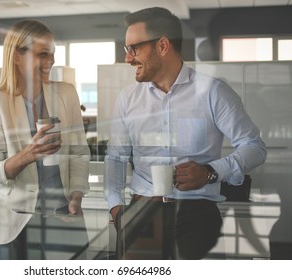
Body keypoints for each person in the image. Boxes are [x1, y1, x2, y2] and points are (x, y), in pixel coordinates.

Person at [104, 7, 267, 260]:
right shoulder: (128, 99)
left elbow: (254, 147)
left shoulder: (213, 92)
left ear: (163, 46)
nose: (127, 58)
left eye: (133, 48)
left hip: (197, 216)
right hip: (141, 212)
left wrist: (212, 171)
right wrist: (115, 207)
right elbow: (116, 157)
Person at [0, 19, 90, 259]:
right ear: (18, 56)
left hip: (63, 217)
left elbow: (79, 153)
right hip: (13, 225)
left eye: (52, 54)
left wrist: (77, 194)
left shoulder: (66, 93)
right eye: (43, 54)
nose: (50, 61)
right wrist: (26, 155)